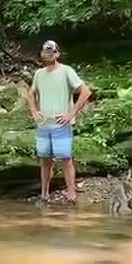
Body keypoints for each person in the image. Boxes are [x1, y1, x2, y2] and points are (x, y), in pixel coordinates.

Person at [23, 39, 92, 203]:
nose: (47, 54)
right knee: (45, 160)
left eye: (51, 51)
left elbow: (86, 92)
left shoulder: (66, 71)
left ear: (57, 53)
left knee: (65, 159)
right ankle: (45, 194)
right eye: (45, 52)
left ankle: (71, 194)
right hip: (43, 124)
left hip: (61, 124)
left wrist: (71, 113)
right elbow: (31, 93)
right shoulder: (39, 74)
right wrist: (34, 111)